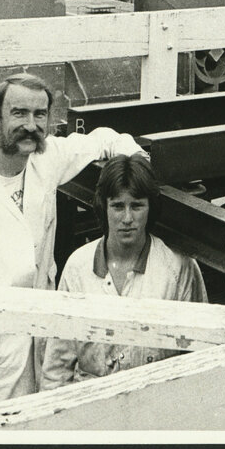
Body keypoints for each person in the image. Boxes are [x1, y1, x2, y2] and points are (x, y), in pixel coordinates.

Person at [0, 71, 146, 411]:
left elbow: (101, 138)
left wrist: (135, 156)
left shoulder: (45, 160)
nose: (31, 125)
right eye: (19, 113)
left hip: (42, 342)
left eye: (39, 114)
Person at [41, 153, 207, 389]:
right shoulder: (78, 267)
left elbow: (198, 360)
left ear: (150, 208)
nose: (127, 218)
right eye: (118, 206)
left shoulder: (178, 268)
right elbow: (57, 367)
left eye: (137, 206)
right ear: (103, 207)